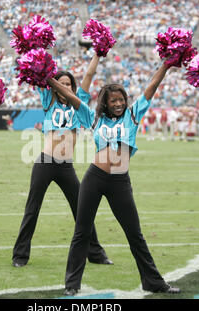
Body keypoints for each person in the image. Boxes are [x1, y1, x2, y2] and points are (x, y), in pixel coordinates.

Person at [48, 62, 181, 296]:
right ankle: (71, 285)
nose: (118, 104)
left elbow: (152, 86)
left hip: (120, 181)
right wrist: (46, 78)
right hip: (95, 178)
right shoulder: (92, 117)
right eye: (113, 101)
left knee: (135, 234)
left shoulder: (133, 114)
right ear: (105, 103)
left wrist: (166, 65)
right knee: (82, 232)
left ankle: (153, 282)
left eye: (121, 99)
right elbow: (70, 94)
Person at [12, 54, 112, 267]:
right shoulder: (48, 100)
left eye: (69, 84)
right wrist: (32, 51)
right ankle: (20, 256)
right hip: (45, 163)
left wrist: (98, 53)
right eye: (61, 83)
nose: (65, 87)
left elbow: (89, 74)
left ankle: (96, 254)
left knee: (81, 209)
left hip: (66, 166)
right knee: (32, 209)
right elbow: (40, 73)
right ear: (55, 86)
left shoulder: (79, 103)